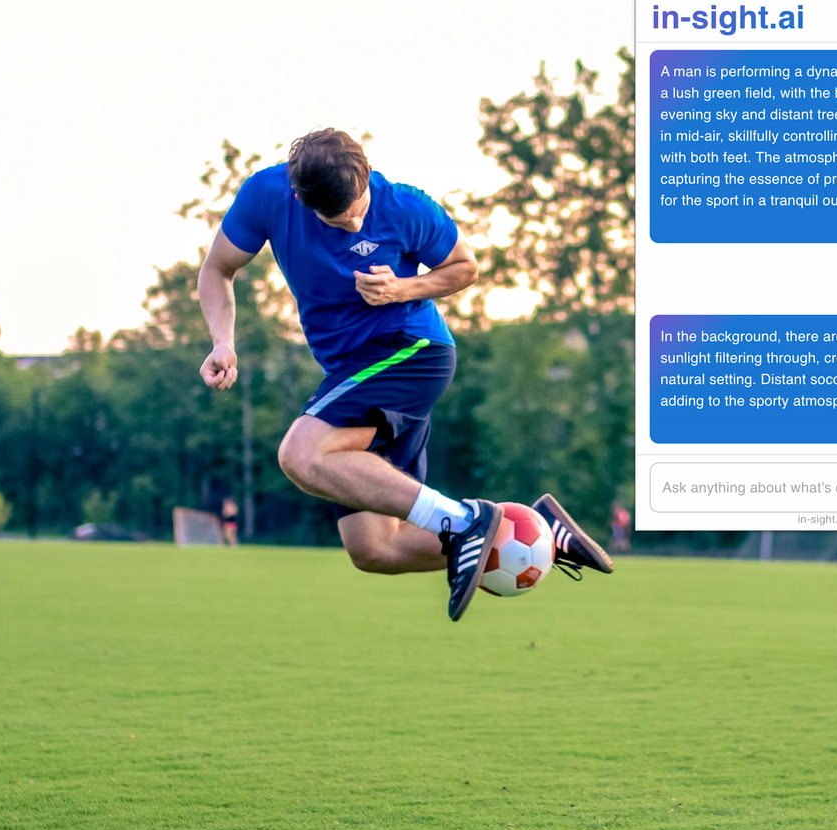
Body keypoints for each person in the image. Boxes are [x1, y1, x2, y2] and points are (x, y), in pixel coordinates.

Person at [196, 129, 613, 620]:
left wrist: (404, 288)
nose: (353, 224)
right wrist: (223, 340)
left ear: (367, 174)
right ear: (298, 197)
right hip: (352, 370)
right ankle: (539, 535)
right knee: (375, 549)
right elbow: (217, 270)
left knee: (300, 455)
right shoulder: (265, 196)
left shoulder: (406, 208)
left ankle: (466, 521)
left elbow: (464, 267)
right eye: (336, 218)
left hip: (412, 351)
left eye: (357, 207)